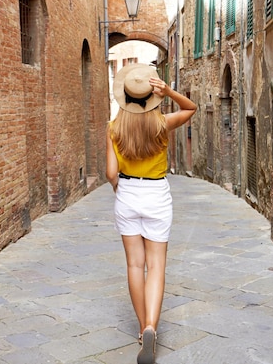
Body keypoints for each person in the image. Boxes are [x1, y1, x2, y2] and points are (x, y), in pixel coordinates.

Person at [106, 63, 196, 364]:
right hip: (157, 195)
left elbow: (110, 172)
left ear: (125, 98)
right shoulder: (162, 123)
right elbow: (191, 108)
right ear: (151, 98)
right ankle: (150, 327)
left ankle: (141, 325)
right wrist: (168, 91)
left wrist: (123, 190)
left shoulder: (113, 128)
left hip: (128, 195)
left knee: (135, 265)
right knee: (156, 267)